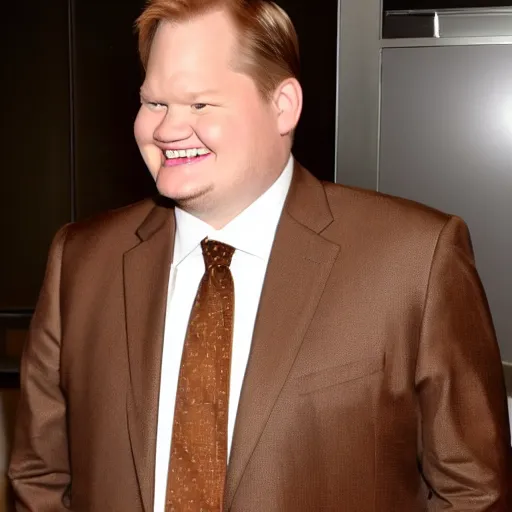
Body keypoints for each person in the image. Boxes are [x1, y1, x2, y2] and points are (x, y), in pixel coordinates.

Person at [8, 0, 511, 510]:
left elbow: (472, 492)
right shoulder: (81, 260)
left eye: (199, 104)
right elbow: (40, 475)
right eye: (154, 103)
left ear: (283, 106)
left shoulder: (414, 259)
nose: (164, 129)